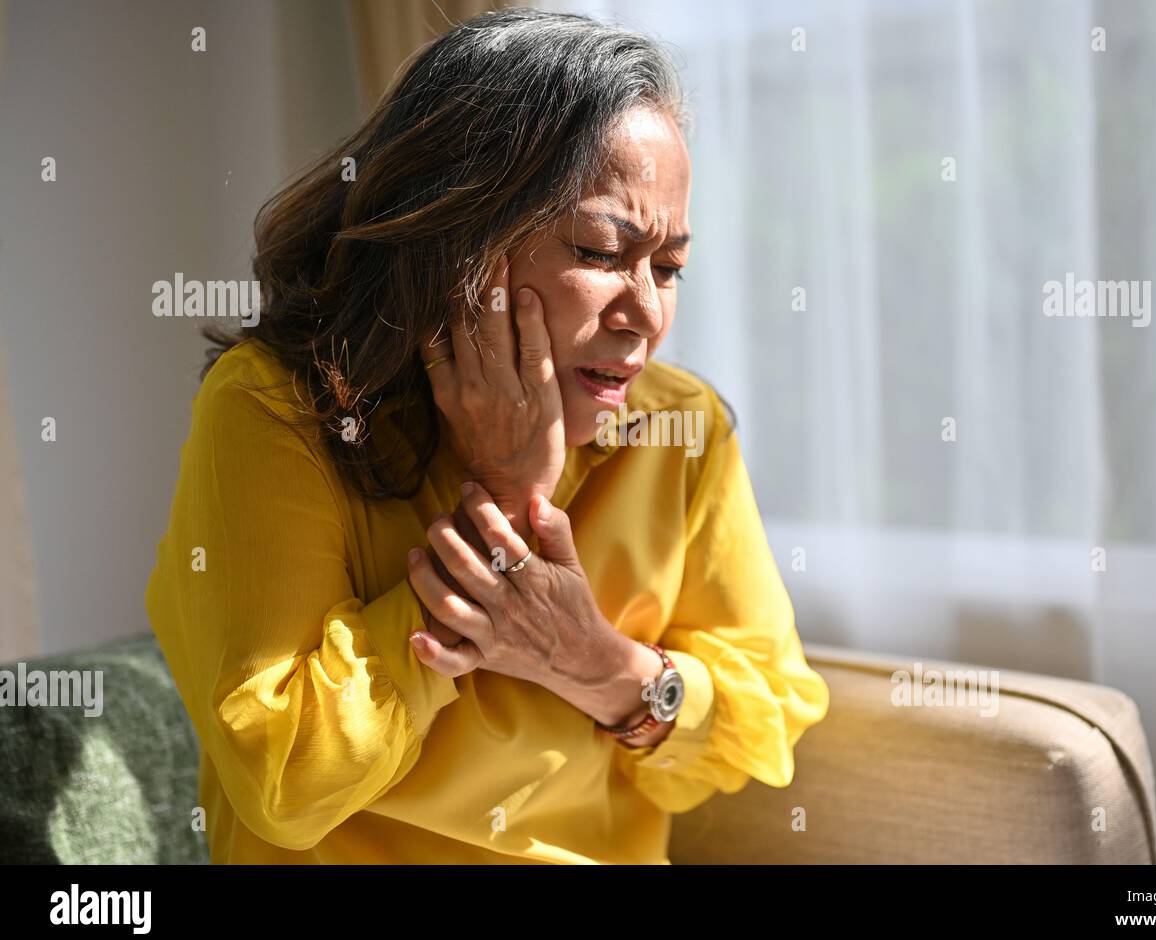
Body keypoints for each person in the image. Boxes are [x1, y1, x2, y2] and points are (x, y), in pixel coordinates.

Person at [145, 7, 829, 865]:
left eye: (668, 267)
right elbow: (285, 782)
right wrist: (504, 504)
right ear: (460, 239)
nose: (646, 316)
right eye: (602, 251)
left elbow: (764, 722)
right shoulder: (275, 411)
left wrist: (597, 665)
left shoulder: (680, 431)